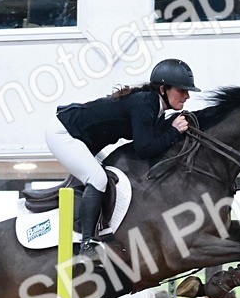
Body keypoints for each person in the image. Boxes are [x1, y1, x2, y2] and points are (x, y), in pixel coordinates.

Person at [45, 58, 200, 257]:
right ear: (163, 89)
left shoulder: (154, 105)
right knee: (98, 178)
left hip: (81, 139)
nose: (187, 96)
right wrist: (174, 132)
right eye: (181, 90)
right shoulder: (145, 103)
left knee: (107, 176)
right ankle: (86, 245)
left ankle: (103, 230)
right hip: (63, 133)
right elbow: (144, 148)